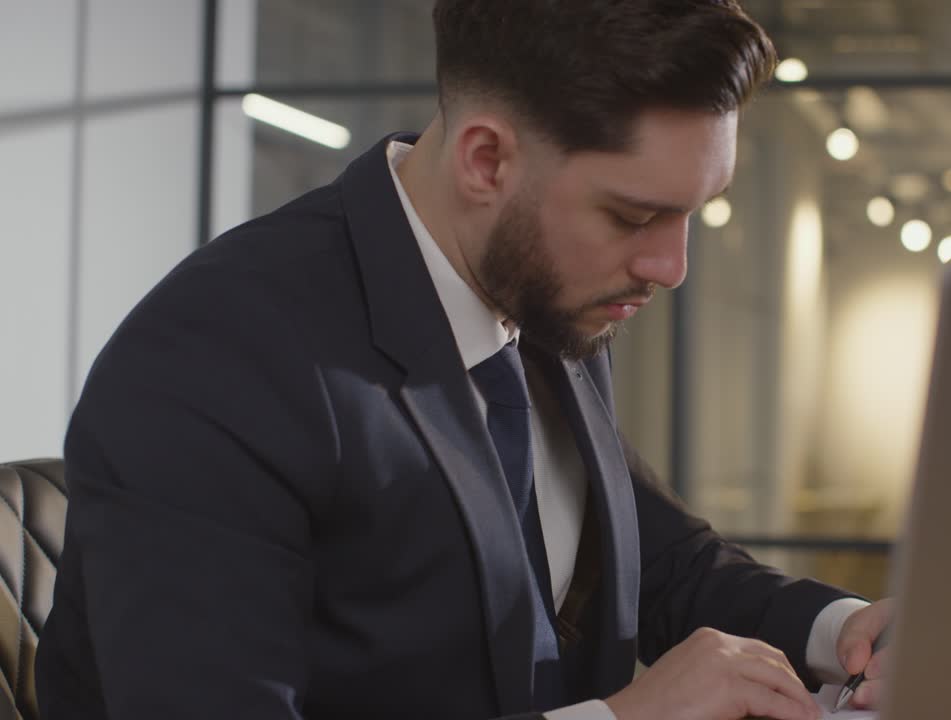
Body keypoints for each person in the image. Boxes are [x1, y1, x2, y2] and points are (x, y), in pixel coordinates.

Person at [35, 1, 892, 718]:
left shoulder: (541, 293)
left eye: (693, 214)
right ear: (487, 160)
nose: (671, 267)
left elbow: (652, 561)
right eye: (634, 218)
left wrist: (845, 630)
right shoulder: (216, 356)